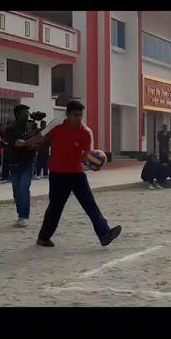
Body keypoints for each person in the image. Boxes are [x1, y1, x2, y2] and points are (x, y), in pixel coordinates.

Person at [24, 100, 122, 247]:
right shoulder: (56, 125)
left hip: (77, 173)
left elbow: (86, 155)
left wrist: (94, 163)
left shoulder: (86, 132)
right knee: (56, 207)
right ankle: (43, 238)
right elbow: (40, 138)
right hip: (58, 173)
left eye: (80, 115)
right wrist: (24, 143)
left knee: (90, 204)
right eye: (75, 115)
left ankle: (104, 234)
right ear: (67, 115)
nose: (78, 118)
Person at [3, 105, 36, 227]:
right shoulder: (11, 129)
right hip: (15, 163)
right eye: (24, 112)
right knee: (17, 192)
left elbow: (38, 142)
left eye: (28, 112)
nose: (27, 114)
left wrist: (34, 138)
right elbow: (17, 143)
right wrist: (30, 141)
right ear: (18, 114)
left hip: (28, 163)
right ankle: (20, 214)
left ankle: (23, 216)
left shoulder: (31, 127)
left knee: (23, 189)